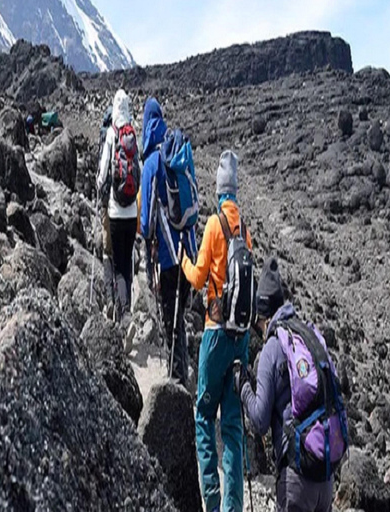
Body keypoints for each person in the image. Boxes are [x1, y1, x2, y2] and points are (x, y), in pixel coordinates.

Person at [237, 258, 346, 512]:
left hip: (296, 477)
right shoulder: (305, 333)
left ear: (261, 316)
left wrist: (243, 387)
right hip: (325, 474)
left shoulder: (272, 347)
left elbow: (260, 420)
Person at [181, 150, 252, 512]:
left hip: (215, 333)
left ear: (219, 189)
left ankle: (211, 499)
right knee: (234, 429)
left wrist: (184, 261)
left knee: (203, 416)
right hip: (242, 340)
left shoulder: (212, 225)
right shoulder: (245, 229)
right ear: (235, 190)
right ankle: (232, 508)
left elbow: (198, 278)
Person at [139, 98, 197, 387]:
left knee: (170, 321)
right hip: (188, 253)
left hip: (167, 256)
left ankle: (176, 383)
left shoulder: (151, 162)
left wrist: (147, 245)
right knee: (180, 321)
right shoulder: (179, 154)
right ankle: (182, 374)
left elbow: (147, 221)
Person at [97, 90, 138, 323]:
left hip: (114, 211)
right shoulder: (134, 135)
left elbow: (103, 173)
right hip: (131, 211)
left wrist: (99, 190)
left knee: (116, 263)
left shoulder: (112, 134)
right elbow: (138, 170)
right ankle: (127, 310)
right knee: (128, 263)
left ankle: (122, 315)